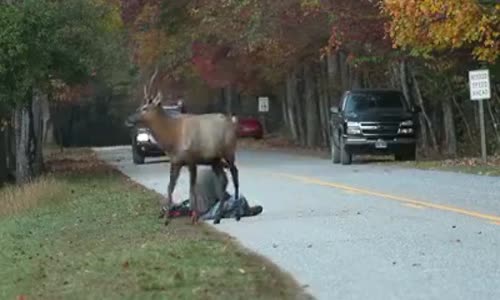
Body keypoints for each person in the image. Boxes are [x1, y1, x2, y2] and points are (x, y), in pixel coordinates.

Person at [168, 166, 263, 221]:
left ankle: (237, 212)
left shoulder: (202, 172)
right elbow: (222, 196)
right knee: (239, 199)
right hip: (207, 212)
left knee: (228, 205)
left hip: (196, 211)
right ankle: (247, 212)